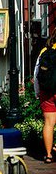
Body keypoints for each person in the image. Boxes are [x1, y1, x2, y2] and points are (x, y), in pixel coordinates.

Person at [33, 28, 56, 164]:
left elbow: (37, 74)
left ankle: (48, 154)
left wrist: (37, 92)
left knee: (48, 123)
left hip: (46, 92)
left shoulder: (44, 52)